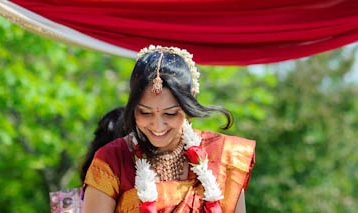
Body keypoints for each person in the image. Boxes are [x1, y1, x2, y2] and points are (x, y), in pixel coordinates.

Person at [82, 45, 255, 213]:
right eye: (145, 112)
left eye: (170, 114)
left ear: (190, 99)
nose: (158, 126)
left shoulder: (223, 155)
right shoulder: (112, 160)